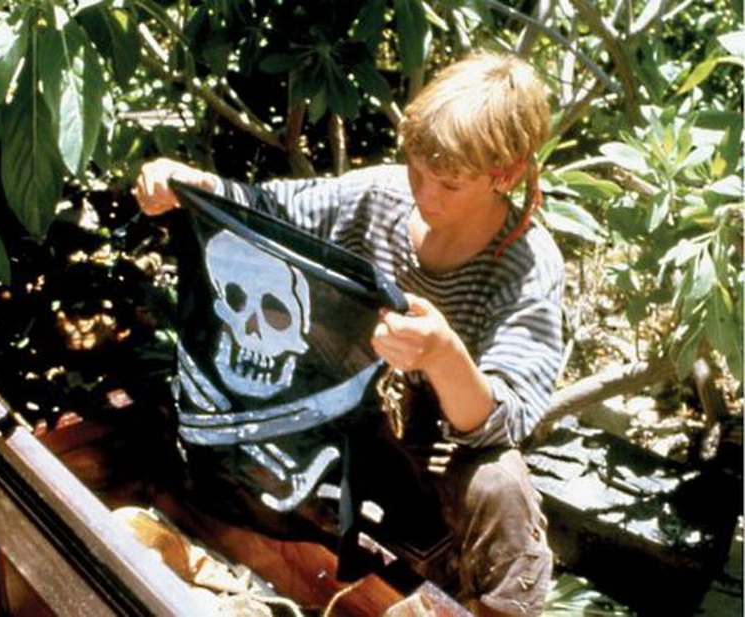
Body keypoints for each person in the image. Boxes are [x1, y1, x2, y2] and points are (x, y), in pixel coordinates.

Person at [133, 51, 563, 617]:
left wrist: (442, 355)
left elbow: (505, 420)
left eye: (450, 184)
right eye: (417, 170)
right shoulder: (382, 196)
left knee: (501, 486)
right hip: (352, 419)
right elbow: (273, 211)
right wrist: (197, 187)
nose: (426, 195)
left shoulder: (526, 265)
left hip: (443, 453)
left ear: (504, 175)